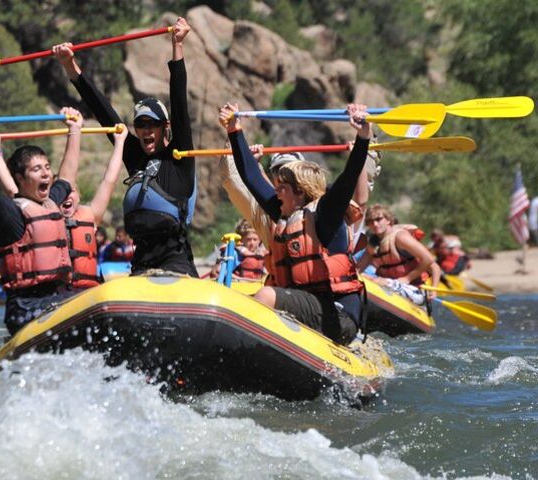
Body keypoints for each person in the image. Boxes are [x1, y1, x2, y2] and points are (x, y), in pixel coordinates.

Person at [52, 17, 198, 277]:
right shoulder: (135, 157)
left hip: (176, 265)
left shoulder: (180, 157)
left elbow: (179, 101)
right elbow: (104, 111)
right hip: (141, 266)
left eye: (151, 124)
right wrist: (70, 66)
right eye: (140, 125)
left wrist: (177, 45)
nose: (145, 130)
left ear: (165, 127)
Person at [0, 111, 121, 335]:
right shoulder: (9, 212)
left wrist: (75, 129)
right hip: (26, 307)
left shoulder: (52, 203)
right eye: (36, 169)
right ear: (20, 179)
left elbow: (68, 177)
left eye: (47, 168)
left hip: (59, 299)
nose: (46, 174)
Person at [219, 102, 371, 345]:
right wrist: (234, 130)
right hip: (308, 306)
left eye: (282, 187)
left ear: (300, 192)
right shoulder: (284, 210)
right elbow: (251, 177)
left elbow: (348, 178)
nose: (275, 191)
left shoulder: (325, 214)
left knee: (267, 295)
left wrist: (363, 136)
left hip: (337, 313)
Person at [0, 107, 128, 291]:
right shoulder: (44, 209)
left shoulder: (91, 215)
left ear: (79, 196)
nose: (67, 197)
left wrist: (119, 143)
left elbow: (109, 180)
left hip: (85, 294)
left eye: (72, 193)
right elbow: (12, 189)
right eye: (64, 192)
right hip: (57, 293)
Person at [358, 204, 441, 305]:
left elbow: (429, 259)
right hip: (388, 284)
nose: (374, 224)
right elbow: (359, 269)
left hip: (414, 289)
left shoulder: (400, 237)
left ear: (388, 220)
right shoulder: (373, 243)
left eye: (378, 219)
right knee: (362, 278)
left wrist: (407, 279)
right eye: (370, 222)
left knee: (379, 281)